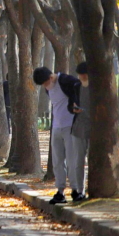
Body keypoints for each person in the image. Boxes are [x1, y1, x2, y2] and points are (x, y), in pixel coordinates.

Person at [33, 66, 80, 204]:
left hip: (70, 126)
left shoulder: (65, 80)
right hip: (56, 128)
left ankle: (76, 190)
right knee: (58, 162)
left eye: (46, 83)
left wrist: (76, 103)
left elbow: (79, 86)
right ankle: (60, 191)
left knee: (72, 160)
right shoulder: (48, 88)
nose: (45, 87)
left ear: (51, 77)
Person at [71, 62, 90, 202]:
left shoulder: (96, 87)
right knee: (79, 161)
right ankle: (79, 190)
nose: (81, 77)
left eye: (83, 74)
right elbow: (70, 104)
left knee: (92, 160)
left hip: (93, 127)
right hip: (78, 128)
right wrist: (73, 108)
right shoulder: (76, 87)